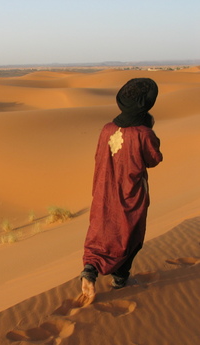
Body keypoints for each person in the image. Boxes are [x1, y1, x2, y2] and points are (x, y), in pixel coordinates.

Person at [80, 78, 163, 300]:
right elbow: (154, 159)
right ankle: (120, 278)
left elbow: (99, 156)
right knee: (130, 235)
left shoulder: (107, 129)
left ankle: (90, 269)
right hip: (130, 194)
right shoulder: (143, 133)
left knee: (100, 229)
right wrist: (150, 130)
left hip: (103, 190)